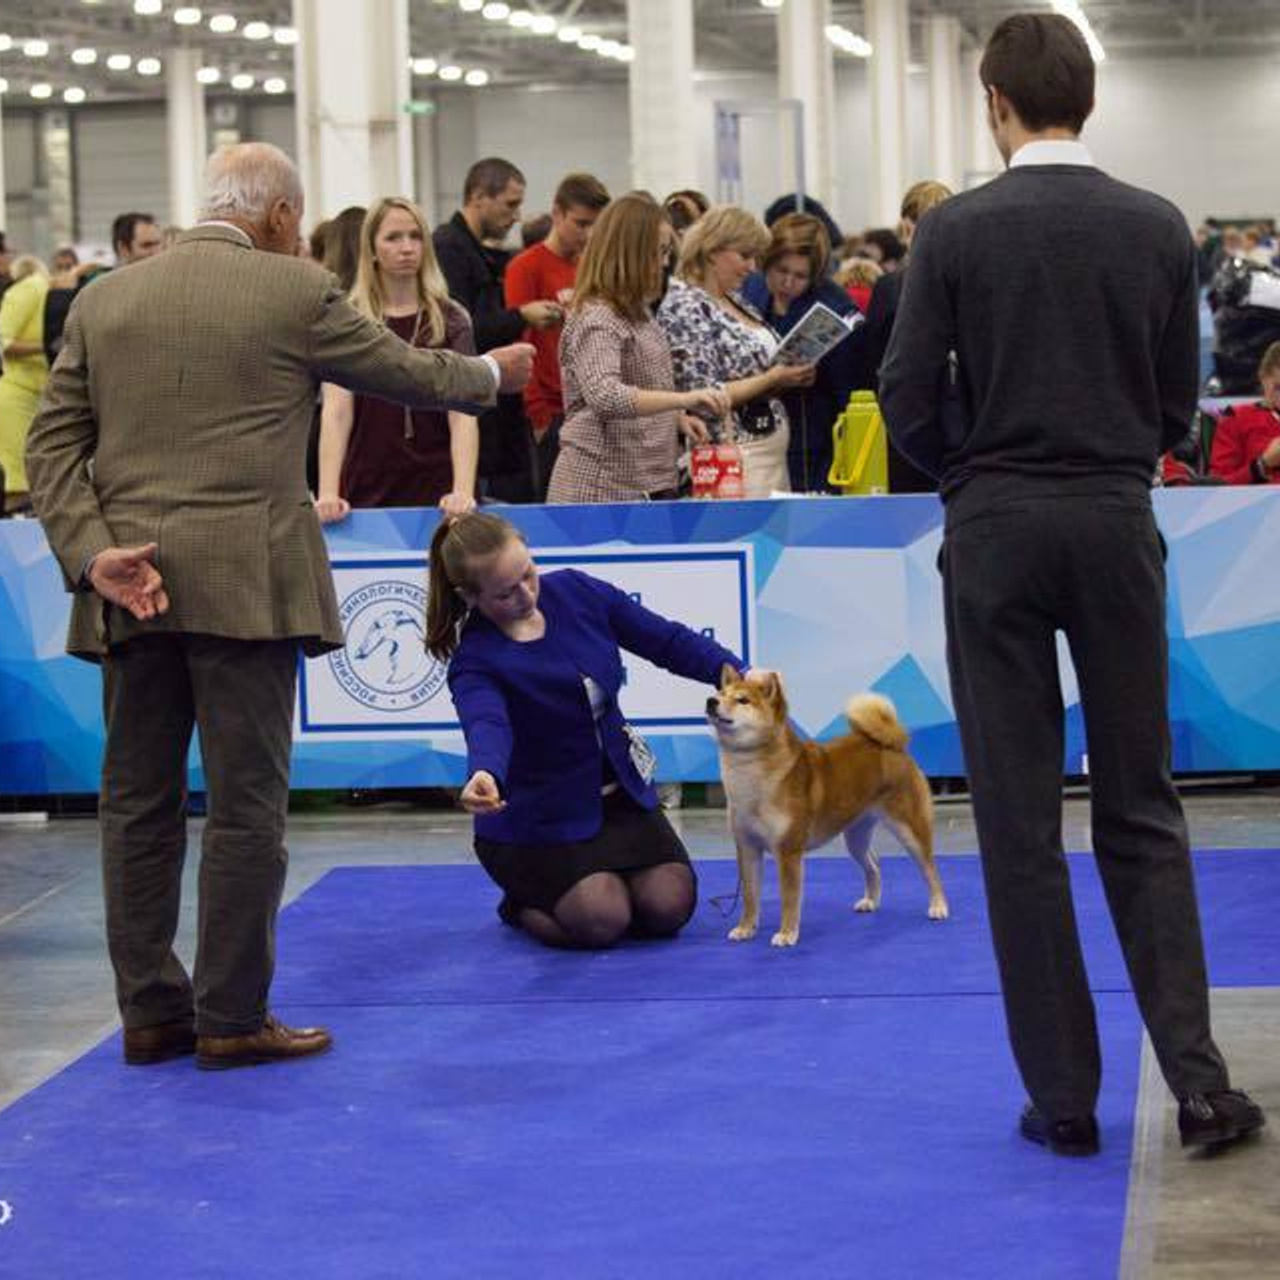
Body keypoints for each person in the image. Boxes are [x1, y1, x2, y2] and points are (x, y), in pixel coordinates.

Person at [24, 142, 532, 1072]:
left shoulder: (102, 298)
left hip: (131, 591)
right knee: (245, 807)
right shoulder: (293, 292)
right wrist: (494, 375)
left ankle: (149, 1015)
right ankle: (231, 1016)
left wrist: (96, 556)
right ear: (284, 218)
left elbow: (50, 448)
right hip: (247, 585)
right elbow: (406, 374)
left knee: (134, 806)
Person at [878, 12, 1265, 1156]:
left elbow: (904, 393)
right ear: (1086, 98)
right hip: (1109, 515)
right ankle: (1198, 1085)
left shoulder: (951, 230)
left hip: (993, 525)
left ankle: (1062, 1101)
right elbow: (1173, 400)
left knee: (1016, 819)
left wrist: (970, 471)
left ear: (993, 101)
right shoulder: (1153, 227)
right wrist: (1105, 457)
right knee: (1141, 805)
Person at [426, 511, 743, 948]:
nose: (525, 595)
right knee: (602, 920)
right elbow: (487, 722)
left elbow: (664, 639)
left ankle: (601, 879)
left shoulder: (578, 591)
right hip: (536, 820)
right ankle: (521, 903)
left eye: (528, 575)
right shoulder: (475, 660)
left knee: (670, 906)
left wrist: (737, 674)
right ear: (470, 596)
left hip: (619, 800)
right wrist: (485, 774)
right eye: (505, 592)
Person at [547, 193, 728, 503]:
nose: (665, 262)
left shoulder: (636, 311)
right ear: (631, 254)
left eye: (666, 251)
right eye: (658, 252)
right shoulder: (598, 316)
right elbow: (605, 396)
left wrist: (674, 417)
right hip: (600, 492)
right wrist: (683, 399)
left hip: (643, 488)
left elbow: (640, 385)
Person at [315, 198, 480, 521]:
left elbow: (462, 412)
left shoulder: (452, 318)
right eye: (393, 238)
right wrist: (327, 492)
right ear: (372, 248)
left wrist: (463, 488)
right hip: (367, 482)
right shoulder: (349, 320)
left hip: (439, 486)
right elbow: (336, 411)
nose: (407, 248)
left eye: (415, 236)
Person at [658, 205, 817, 498]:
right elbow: (702, 395)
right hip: (730, 463)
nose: (752, 267)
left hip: (769, 459)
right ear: (711, 251)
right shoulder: (684, 305)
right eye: (745, 256)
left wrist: (790, 374)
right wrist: (774, 379)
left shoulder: (735, 299)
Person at [434, 157, 562, 502]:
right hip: (479, 420)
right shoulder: (448, 248)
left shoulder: (485, 255)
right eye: (511, 204)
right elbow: (460, 329)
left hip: (501, 417)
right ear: (478, 196)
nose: (518, 215)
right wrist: (522, 315)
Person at [504, 172, 611, 498]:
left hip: (589, 407)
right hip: (549, 410)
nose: (588, 233)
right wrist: (538, 415)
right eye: (581, 223)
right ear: (557, 214)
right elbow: (520, 344)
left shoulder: (594, 267)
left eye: (596, 225)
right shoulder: (526, 267)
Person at [741, 213, 861, 492]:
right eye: (781, 270)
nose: (787, 283)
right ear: (766, 262)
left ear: (816, 276)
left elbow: (849, 393)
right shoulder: (750, 289)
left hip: (813, 442)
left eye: (800, 276)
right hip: (753, 441)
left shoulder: (837, 308)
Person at [855, 180, 953, 493]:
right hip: (956, 423)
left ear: (906, 228)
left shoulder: (891, 287)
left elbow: (873, 358)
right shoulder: (969, 284)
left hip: (903, 424)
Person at [0, 255, 50, 513]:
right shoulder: (32, 288)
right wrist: (48, 346)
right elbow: (3, 343)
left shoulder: (37, 289)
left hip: (31, 397)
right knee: (17, 488)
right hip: (14, 397)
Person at [1208, 340, 1280, 484]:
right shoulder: (1236, 418)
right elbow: (1217, 486)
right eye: (1278, 387)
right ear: (1263, 377)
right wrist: (1262, 464)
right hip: (1258, 505)